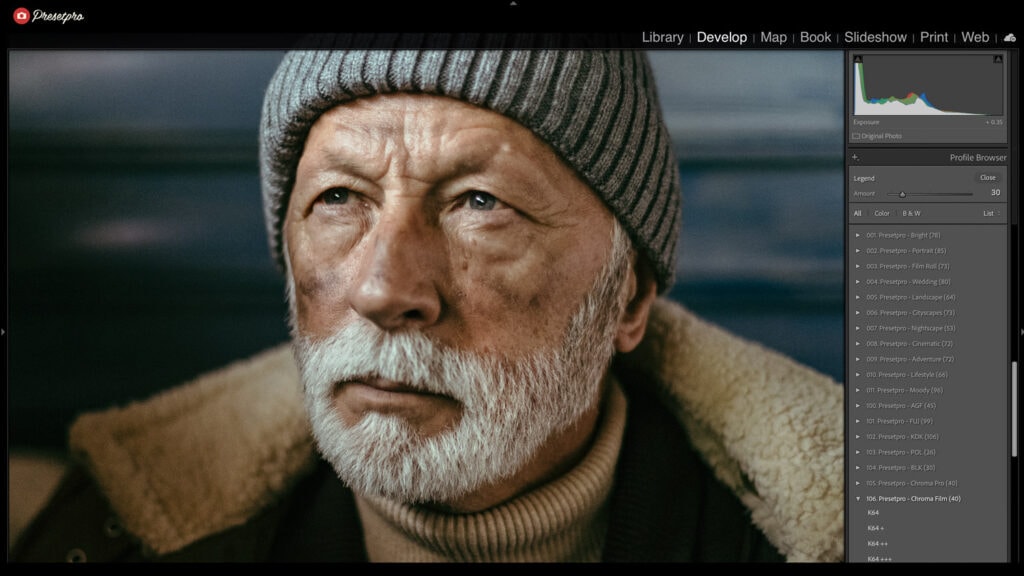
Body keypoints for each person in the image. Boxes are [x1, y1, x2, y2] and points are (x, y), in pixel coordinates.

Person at [12, 45, 844, 563]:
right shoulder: (117, 536)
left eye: (481, 203)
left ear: (626, 298)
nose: (383, 290)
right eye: (339, 198)